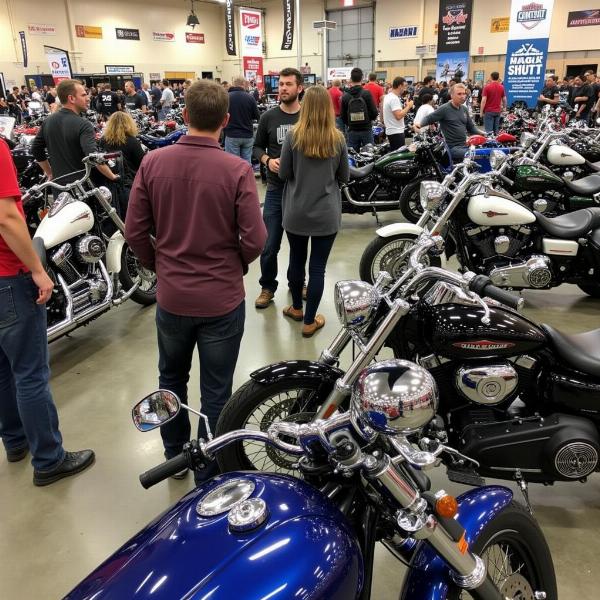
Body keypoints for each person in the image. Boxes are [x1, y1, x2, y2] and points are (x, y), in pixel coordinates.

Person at [126, 80, 266, 484]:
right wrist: (234, 264)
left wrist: (159, 265)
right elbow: (255, 239)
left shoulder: (153, 163)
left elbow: (135, 231)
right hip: (221, 300)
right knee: (217, 391)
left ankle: (174, 455)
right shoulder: (237, 170)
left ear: (183, 115)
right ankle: (207, 467)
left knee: (170, 379)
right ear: (225, 120)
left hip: (172, 298)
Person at [0, 138, 95, 486]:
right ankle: (49, 459)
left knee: (2, 370)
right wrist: (38, 271)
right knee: (30, 373)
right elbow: (7, 217)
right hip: (7, 276)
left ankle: (14, 442)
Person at [278, 85, 349, 337]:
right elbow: (344, 176)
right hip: (326, 214)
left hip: (296, 212)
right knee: (317, 268)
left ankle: (296, 308)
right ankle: (310, 321)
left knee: (296, 261)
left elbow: (284, 173)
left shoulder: (292, 136)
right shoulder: (337, 138)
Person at [253, 67, 303, 309]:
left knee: (299, 245)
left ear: (299, 88)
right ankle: (267, 287)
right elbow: (256, 148)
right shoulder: (268, 117)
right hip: (274, 191)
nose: (282, 88)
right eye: (281, 84)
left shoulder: (307, 118)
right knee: (269, 244)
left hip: (300, 192)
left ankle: (298, 284)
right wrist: (267, 161)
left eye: (288, 84)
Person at [31, 79, 118, 186]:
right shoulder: (84, 125)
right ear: (71, 98)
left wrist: (50, 173)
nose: (88, 98)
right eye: (83, 95)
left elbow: (35, 149)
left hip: (59, 187)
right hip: (83, 187)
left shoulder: (48, 121)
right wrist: (113, 177)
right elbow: (93, 157)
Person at [415, 83, 482, 161]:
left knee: (487, 150)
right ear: (452, 95)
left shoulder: (464, 109)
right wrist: (419, 124)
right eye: (459, 94)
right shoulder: (444, 109)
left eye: (464, 93)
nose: (463, 96)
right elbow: (428, 118)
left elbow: (471, 127)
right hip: (452, 148)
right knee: (479, 155)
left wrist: (484, 134)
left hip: (465, 145)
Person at [101, 111, 145, 217]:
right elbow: (143, 164)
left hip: (109, 185)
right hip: (129, 185)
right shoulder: (132, 141)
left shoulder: (104, 141)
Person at [223, 76, 260, 164]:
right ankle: (247, 178)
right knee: (246, 163)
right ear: (243, 84)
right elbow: (257, 116)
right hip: (247, 135)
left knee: (233, 164)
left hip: (232, 135)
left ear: (233, 84)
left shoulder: (226, 97)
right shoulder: (250, 98)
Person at [341, 67, 378, 151]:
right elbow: (374, 113)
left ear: (351, 79)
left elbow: (343, 116)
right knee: (370, 155)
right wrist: (368, 120)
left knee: (352, 157)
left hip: (352, 131)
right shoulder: (367, 94)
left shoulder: (345, 96)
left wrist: (350, 123)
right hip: (366, 129)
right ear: (362, 78)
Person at [382, 77, 414, 150]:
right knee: (399, 159)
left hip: (392, 131)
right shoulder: (394, 98)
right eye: (404, 86)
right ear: (400, 86)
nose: (405, 89)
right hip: (396, 132)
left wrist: (405, 108)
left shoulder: (388, 96)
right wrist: (409, 106)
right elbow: (398, 116)